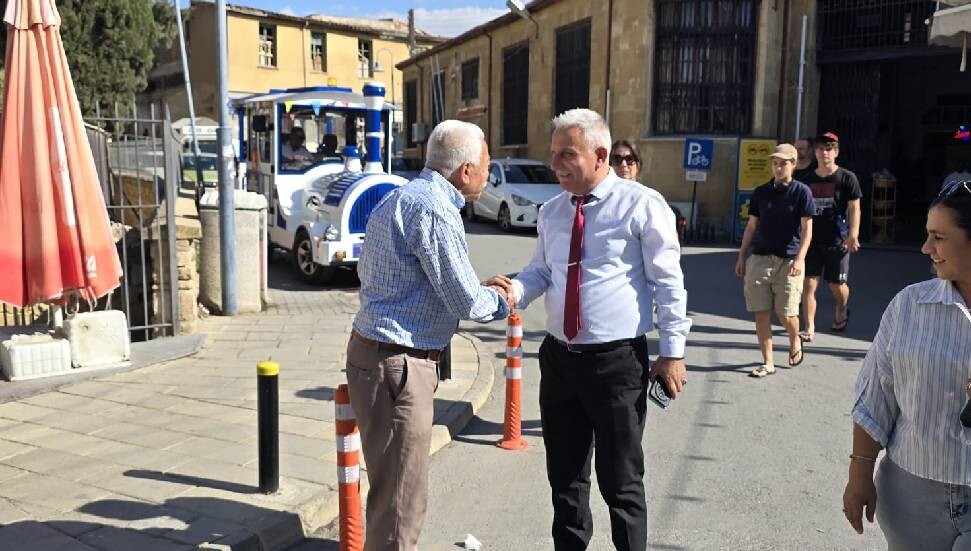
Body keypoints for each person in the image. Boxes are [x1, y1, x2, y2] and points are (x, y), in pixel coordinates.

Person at [487, 109, 691, 551]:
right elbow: (542, 269)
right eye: (553, 153)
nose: (554, 163)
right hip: (560, 361)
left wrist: (672, 352)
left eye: (566, 154)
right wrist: (515, 291)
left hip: (616, 365)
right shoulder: (554, 210)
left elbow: (668, 282)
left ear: (600, 155)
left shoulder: (640, 205)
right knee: (565, 480)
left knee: (621, 482)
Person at [345, 120, 509, 551]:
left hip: (374, 353)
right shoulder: (435, 209)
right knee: (401, 501)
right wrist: (505, 299)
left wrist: (478, 290)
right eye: (487, 164)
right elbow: (466, 302)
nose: (489, 174)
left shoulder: (400, 197)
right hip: (399, 363)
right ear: (466, 170)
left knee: (388, 488)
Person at [841, 179, 971, 546]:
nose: (926, 248)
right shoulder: (909, 306)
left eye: (939, 237)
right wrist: (859, 472)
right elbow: (876, 396)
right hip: (911, 499)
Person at [734, 144, 815, 377]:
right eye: (775, 163)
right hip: (760, 259)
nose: (778, 167)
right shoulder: (761, 192)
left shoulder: (802, 192)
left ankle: (794, 340)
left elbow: (807, 229)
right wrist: (741, 255)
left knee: (787, 313)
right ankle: (767, 362)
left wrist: (800, 259)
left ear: (793, 164)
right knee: (761, 312)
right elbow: (751, 226)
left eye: (783, 163)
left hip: (789, 261)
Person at [799, 132, 861, 342]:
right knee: (809, 285)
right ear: (815, 152)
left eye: (828, 149)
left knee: (837, 285)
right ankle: (809, 327)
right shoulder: (807, 180)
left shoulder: (846, 178)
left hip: (838, 240)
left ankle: (842, 308)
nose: (824, 153)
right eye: (820, 149)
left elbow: (854, 207)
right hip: (812, 240)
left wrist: (853, 233)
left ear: (836, 152)